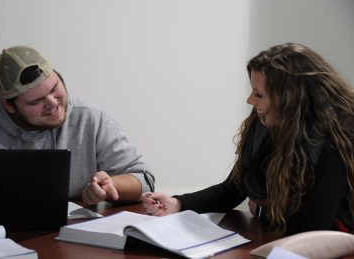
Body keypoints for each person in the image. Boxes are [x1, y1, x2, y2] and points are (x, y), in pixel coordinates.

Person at [141, 43, 354, 235]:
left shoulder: (337, 134)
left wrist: (262, 211)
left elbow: (313, 224)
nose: (250, 100)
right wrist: (176, 203)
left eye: (259, 94)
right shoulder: (265, 120)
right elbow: (234, 188)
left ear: (290, 99)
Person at [0, 45, 155, 206]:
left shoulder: (90, 118)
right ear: (9, 105)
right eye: (35, 102)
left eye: (55, 88)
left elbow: (145, 180)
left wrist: (112, 185)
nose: (52, 103)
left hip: (69, 237)